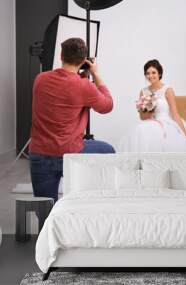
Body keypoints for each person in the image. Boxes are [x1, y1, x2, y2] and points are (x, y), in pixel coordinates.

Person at [30, 38, 115, 202]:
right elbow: (107, 105)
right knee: (109, 150)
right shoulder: (84, 86)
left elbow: (65, 88)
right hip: (69, 153)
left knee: (45, 208)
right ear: (84, 60)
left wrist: (82, 77)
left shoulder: (40, 79)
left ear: (61, 55)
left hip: (40, 153)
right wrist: (95, 75)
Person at [118, 59, 186, 152]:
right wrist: (150, 109)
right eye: (147, 73)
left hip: (166, 123)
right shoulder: (143, 92)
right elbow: (142, 117)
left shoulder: (167, 90)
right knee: (140, 130)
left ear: (159, 74)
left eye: (153, 72)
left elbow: (175, 114)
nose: (150, 76)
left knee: (152, 133)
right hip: (150, 122)